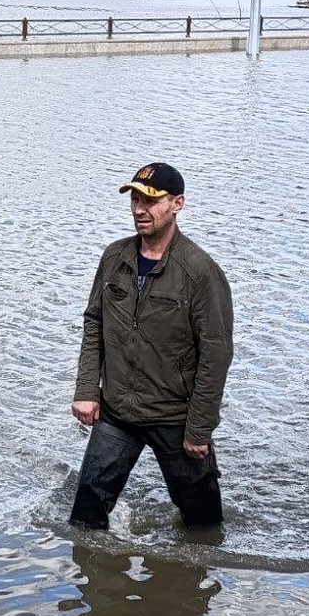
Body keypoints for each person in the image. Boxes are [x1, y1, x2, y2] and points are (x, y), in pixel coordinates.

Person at [69, 162, 233, 530]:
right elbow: (94, 322)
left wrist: (199, 429)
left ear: (178, 204)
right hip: (116, 413)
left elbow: (216, 354)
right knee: (84, 520)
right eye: (135, 199)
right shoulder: (115, 258)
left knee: (204, 527)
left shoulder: (200, 272)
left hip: (176, 418)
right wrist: (86, 390)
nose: (140, 209)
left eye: (151, 201)